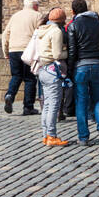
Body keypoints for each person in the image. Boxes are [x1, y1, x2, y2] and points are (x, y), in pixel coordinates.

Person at [66, 0, 99, 146]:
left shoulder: (73, 26)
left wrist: (70, 71)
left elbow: (72, 51)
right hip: (97, 64)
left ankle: (83, 137)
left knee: (81, 102)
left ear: (73, 11)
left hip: (81, 66)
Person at [33, 8, 69, 146]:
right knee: (53, 105)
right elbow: (57, 55)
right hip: (53, 71)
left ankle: (45, 135)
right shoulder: (56, 31)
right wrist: (68, 53)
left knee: (47, 105)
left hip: (43, 69)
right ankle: (52, 136)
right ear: (62, 20)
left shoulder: (43, 30)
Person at [1, 0, 43, 115]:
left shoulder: (15, 16)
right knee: (30, 78)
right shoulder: (37, 16)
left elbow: (5, 34)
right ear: (35, 6)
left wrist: (6, 52)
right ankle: (28, 107)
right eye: (37, 5)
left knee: (16, 76)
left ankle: (10, 95)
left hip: (14, 50)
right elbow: (41, 34)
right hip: (28, 50)